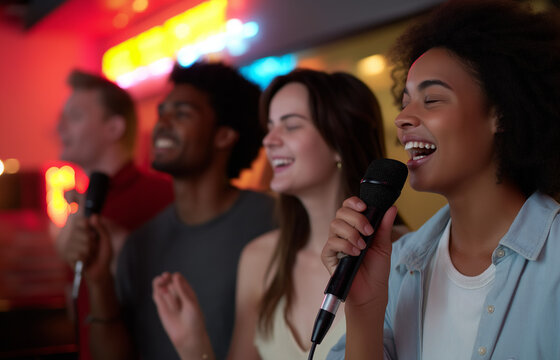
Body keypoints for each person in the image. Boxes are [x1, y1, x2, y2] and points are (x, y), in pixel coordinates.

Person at [322, 0, 560, 359]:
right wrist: (364, 307)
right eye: (405, 100)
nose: (402, 118)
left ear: (501, 114)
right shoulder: (400, 264)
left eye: (431, 99)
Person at [152, 69, 406, 360]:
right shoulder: (260, 257)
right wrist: (194, 347)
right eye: (270, 126)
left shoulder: (409, 254)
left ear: (339, 142)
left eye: (291, 125)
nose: (269, 140)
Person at [67, 61, 276, 360]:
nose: (162, 124)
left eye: (181, 114)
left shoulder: (273, 222)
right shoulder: (140, 243)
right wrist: (99, 280)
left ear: (224, 135)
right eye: (162, 112)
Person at [55, 69, 174, 360]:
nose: (61, 127)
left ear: (114, 128)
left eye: (76, 116)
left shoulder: (163, 197)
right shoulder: (81, 207)